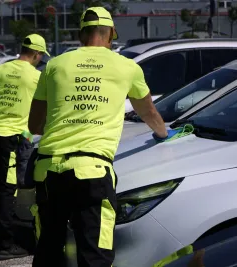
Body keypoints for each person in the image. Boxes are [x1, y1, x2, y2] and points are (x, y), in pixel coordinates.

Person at [28, 7, 183, 267]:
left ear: (81, 35)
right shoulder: (127, 67)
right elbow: (148, 111)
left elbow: (34, 124)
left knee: (49, 252)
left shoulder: (54, 65)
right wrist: (164, 133)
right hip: (92, 173)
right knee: (94, 256)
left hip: (48, 171)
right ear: (111, 34)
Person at [0, 34, 48, 260]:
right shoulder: (36, 77)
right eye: (40, 57)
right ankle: (6, 245)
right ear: (36, 54)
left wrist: (0, 107)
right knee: (7, 191)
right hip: (12, 137)